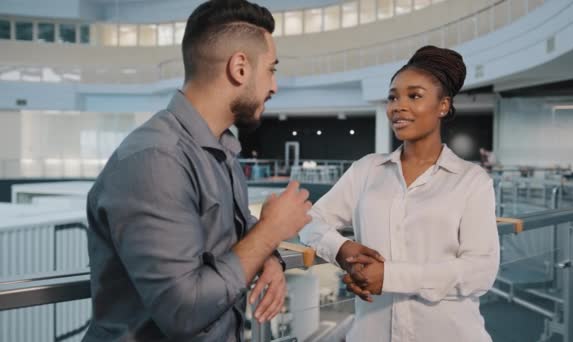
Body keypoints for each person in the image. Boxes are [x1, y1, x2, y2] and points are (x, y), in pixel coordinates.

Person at [84, 1, 312, 341]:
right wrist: (271, 231)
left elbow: (235, 236)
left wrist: (272, 257)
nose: (274, 86)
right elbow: (183, 311)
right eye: (271, 70)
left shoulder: (220, 150)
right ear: (240, 68)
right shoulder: (156, 160)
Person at [300, 46, 500, 342]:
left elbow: (480, 271)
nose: (398, 106)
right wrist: (342, 249)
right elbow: (309, 220)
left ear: (443, 106)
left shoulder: (471, 181)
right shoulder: (366, 170)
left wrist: (390, 277)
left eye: (414, 96)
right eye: (393, 97)